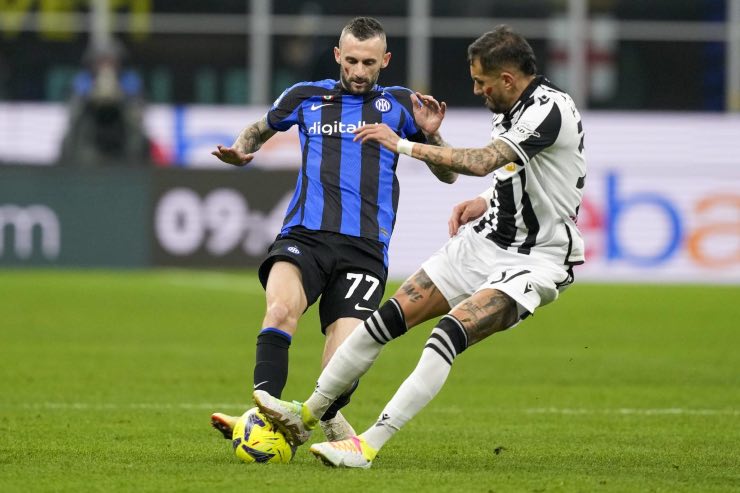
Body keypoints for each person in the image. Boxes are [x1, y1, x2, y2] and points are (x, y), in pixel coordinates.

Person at [252, 24, 587, 468]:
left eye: (481, 82)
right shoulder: (511, 104)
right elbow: (528, 174)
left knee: (447, 333)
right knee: (385, 320)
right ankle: (307, 414)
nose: (476, 90)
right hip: (485, 241)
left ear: (507, 79)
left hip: (537, 259)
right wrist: (486, 200)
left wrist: (404, 144)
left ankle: (366, 446)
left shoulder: (549, 109)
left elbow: (483, 160)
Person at [210, 17, 454, 444]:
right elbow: (258, 130)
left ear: (385, 60)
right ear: (338, 55)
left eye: (369, 63)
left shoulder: (401, 104)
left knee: (342, 363)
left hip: (365, 248)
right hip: (304, 236)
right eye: (352, 60)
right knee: (280, 310)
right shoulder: (305, 96)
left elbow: (449, 175)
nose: (359, 71)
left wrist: (432, 138)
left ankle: (320, 416)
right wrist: (241, 150)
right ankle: (265, 406)